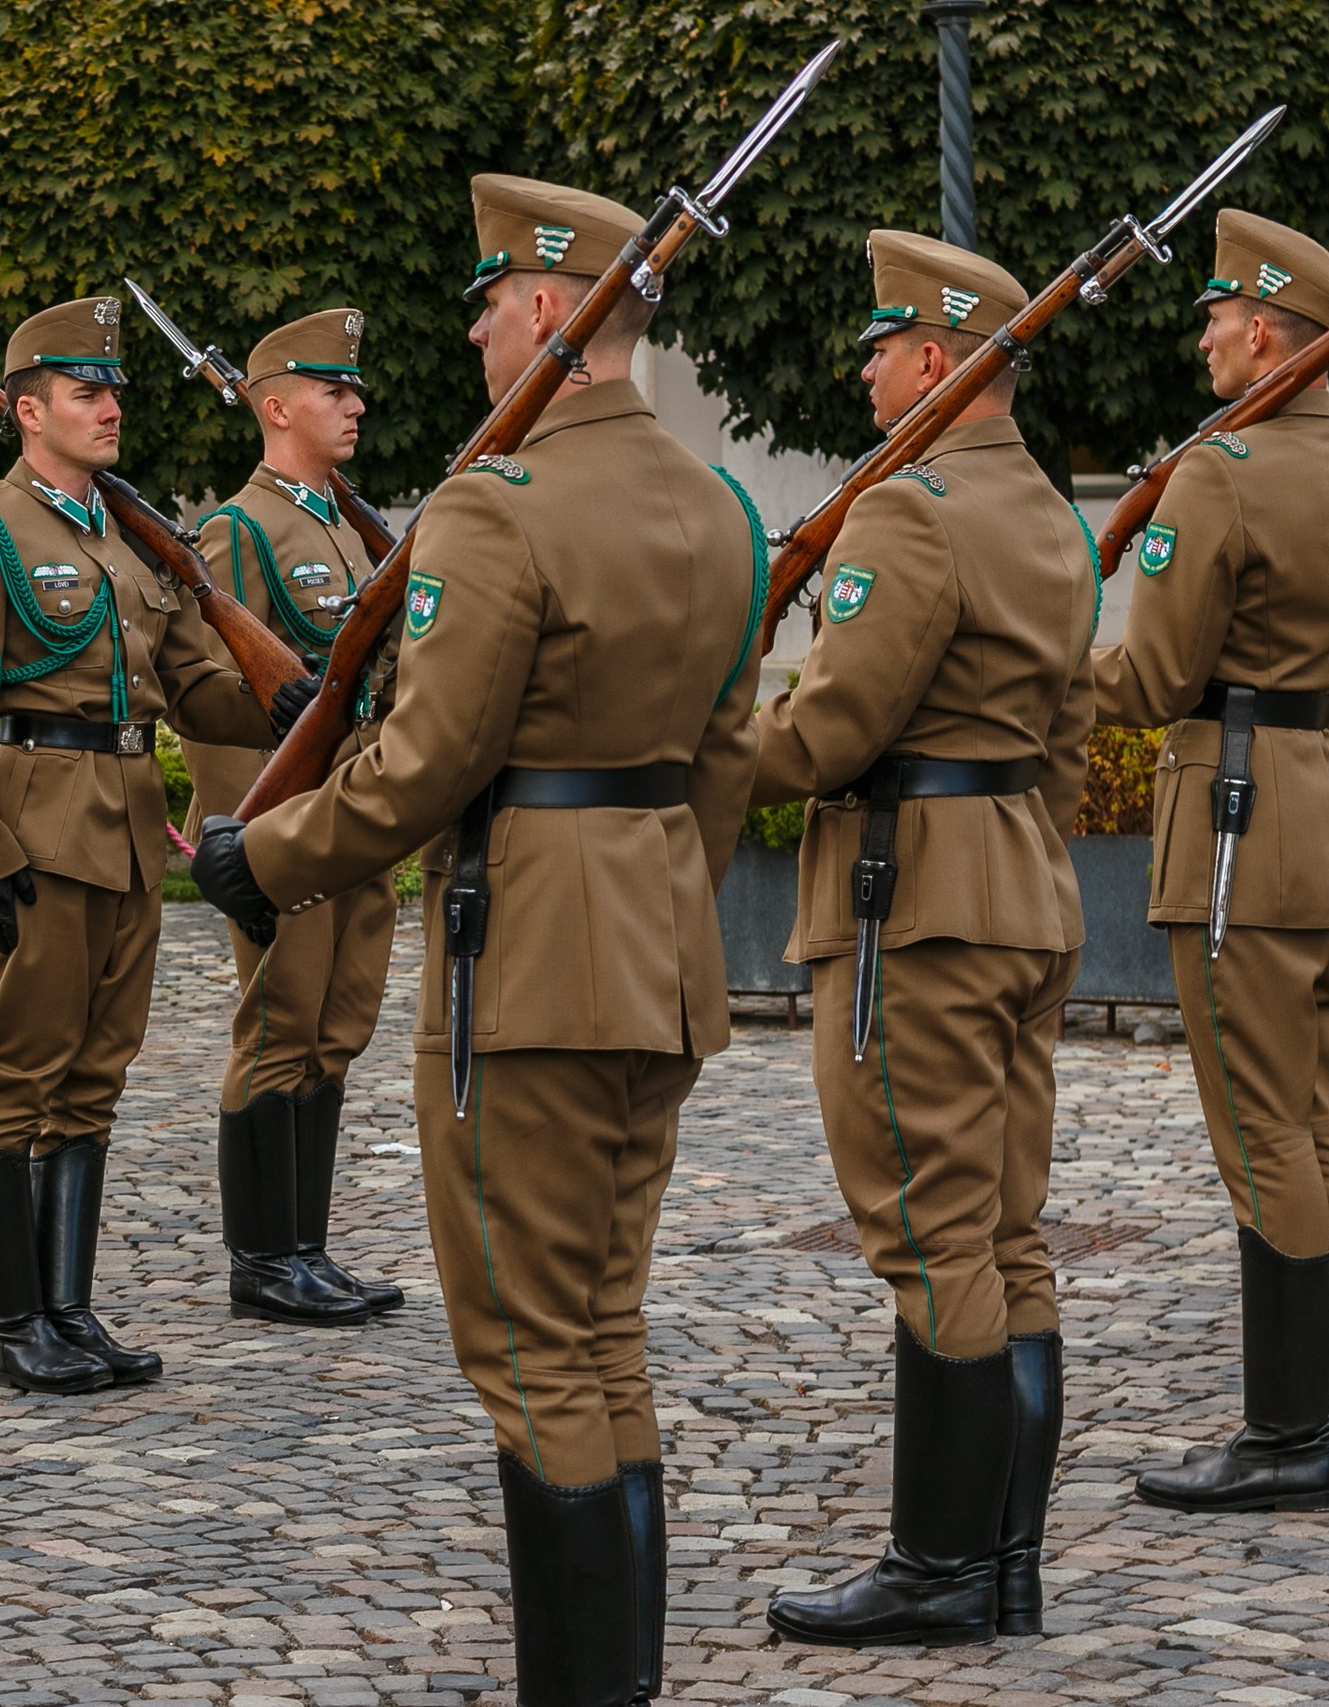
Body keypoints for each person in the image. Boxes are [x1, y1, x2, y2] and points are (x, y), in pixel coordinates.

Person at [192, 175, 765, 1707]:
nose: (468, 333)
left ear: (538, 311)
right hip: (657, 950)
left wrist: (265, 857)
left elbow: (424, 766)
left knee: (527, 1339)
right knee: (606, 1324)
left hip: (524, 965)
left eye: (482, 304)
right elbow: (730, 752)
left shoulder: (494, 506)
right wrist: (654, 891)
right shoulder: (720, 507)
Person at [750, 233, 1094, 1649]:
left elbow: (830, 730)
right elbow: (1069, 732)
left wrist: (707, 736)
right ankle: (1000, 1560)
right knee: (1006, 1230)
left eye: (887, 349)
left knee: (929, 1225)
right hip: (1018, 877)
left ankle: (939, 1566)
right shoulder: (1048, 514)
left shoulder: (910, 511)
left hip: (916, 897)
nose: (873, 371)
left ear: (941, 361)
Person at [0, 295, 298, 1395]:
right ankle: (13, 1323)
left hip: (124, 826)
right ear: (28, 410)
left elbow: (190, 689)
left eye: (114, 390)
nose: (111, 407)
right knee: (17, 1077)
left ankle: (68, 1311)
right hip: (37, 829)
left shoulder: (123, 541)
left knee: (92, 1083)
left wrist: (297, 706)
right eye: (87, 392)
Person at [1092, 208, 1329, 1514]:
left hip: (1249, 825)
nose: (1203, 336)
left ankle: (1292, 1427)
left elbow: (1154, 676)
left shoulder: (1225, 471)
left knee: (1263, 1127)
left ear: (1262, 330)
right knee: (1326, 1126)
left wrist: (1035, 671)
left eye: (1215, 316)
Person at [176, 308, 401, 1327]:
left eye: (352, 391)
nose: (353, 405)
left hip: (355, 815)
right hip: (287, 826)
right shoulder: (241, 529)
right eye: (331, 391)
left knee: (335, 1026)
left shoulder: (343, 529)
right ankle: (261, 1259)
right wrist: (244, 839)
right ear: (275, 407)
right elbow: (218, 702)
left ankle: (305, 1246)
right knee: (279, 1028)